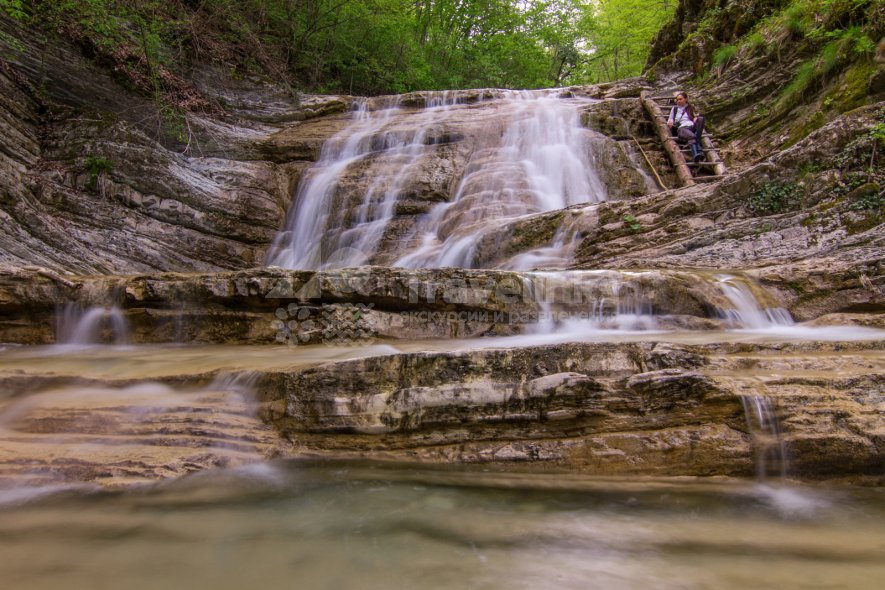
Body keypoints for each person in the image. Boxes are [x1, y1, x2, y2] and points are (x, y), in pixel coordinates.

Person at [667, 92, 704, 163]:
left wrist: (695, 119)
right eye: (677, 100)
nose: (678, 101)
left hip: (691, 126)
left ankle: (697, 143)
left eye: (680, 99)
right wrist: (670, 122)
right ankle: (695, 154)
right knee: (692, 136)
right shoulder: (675, 109)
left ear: (686, 99)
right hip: (682, 128)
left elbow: (694, 117)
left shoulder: (690, 108)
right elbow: (670, 119)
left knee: (701, 119)